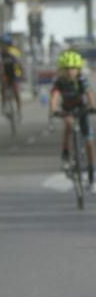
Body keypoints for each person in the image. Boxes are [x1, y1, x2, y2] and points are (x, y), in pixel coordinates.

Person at [48, 50, 96, 193]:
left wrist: (93, 107)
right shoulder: (59, 82)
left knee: (89, 142)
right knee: (68, 124)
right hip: (67, 109)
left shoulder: (81, 80)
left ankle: (92, 174)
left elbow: (89, 94)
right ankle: (66, 154)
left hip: (81, 109)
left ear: (78, 69)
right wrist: (54, 110)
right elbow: (54, 96)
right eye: (67, 69)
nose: (70, 72)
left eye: (73, 68)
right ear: (62, 70)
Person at [0, 33, 23, 118]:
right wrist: (0, 74)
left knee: (16, 91)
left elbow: (19, 64)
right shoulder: (1, 53)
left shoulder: (14, 51)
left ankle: (19, 109)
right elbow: (0, 64)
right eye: (1, 44)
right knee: (3, 89)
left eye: (4, 44)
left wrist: (21, 74)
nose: (2, 46)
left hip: (14, 73)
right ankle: (4, 105)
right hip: (6, 73)